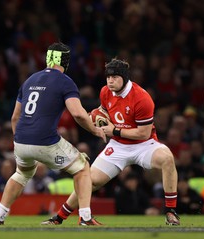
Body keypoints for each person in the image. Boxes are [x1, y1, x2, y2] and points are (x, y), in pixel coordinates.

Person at [41, 58, 180, 226]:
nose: (110, 81)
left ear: (124, 78)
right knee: (89, 180)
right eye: (108, 77)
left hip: (143, 145)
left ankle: (171, 211)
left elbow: (143, 134)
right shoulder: (105, 92)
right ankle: (59, 218)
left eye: (114, 77)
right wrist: (97, 114)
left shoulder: (142, 98)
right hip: (118, 145)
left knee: (167, 159)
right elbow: (105, 110)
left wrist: (114, 130)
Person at [0, 42, 106, 225]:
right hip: (45, 141)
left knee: (21, 174)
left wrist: (20, 140)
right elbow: (77, 113)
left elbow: (15, 117)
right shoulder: (65, 81)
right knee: (82, 169)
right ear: (66, 61)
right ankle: (85, 217)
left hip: (20, 140)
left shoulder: (30, 80)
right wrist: (94, 129)